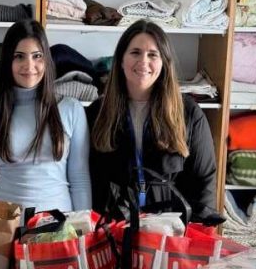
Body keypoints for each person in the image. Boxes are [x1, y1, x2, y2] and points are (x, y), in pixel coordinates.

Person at [86, 20, 221, 224]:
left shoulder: (188, 113)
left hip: (170, 229)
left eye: (152, 55)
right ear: (121, 60)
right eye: (135, 53)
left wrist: (197, 231)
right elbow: (90, 178)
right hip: (115, 228)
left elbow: (204, 181)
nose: (143, 61)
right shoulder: (97, 112)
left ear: (164, 62)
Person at [0, 19, 91, 212]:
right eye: (19, 56)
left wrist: (83, 225)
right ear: (8, 61)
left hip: (61, 226)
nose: (29, 65)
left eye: (37, 56)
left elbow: (80, 180)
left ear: (47, 60)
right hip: (5, 226)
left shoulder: (72, 109)